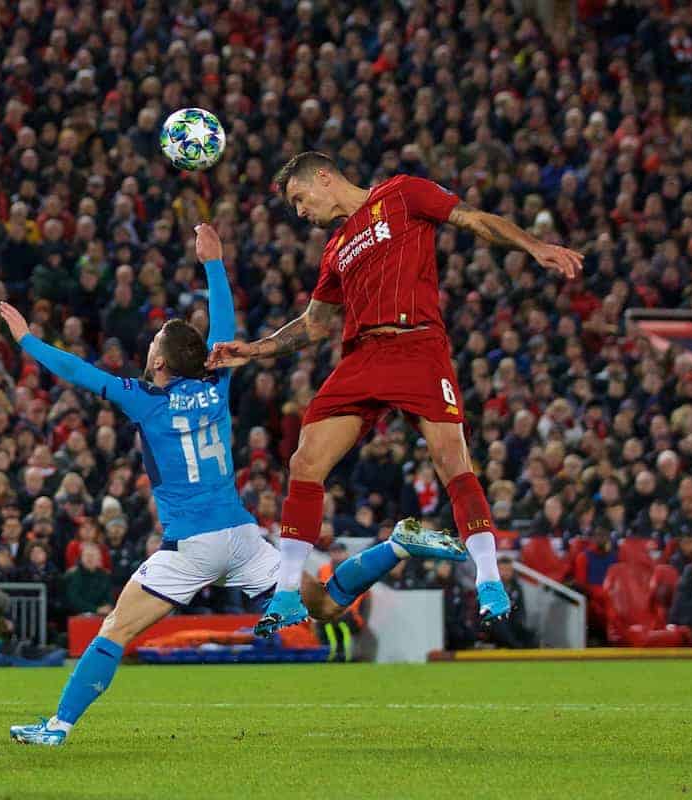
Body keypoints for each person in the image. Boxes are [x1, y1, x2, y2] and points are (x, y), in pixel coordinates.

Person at [5, 224, 464, 746]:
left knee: (115, 630)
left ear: (158, 361)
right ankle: (396, 546)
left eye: (154, 343)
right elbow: (224, 328)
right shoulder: (216, 384)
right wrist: (214, 264)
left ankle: (58, 727)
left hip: (192, 546)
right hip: (243, 538)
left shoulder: (143, 398)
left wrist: (27, 340)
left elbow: (79, 371)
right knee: (328, 605)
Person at [208, 152, 583, 633]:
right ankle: (285, 592)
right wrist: (255, 351)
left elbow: (471, 218)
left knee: (452, 461)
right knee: (305, 462)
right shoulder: (336, 248)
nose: (300, 213)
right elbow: (318, 323)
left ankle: (489, 576)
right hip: (361, 356)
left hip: (417, 344)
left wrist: (532, 246)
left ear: (323, 178)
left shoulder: (402, 193)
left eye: (300, 199)